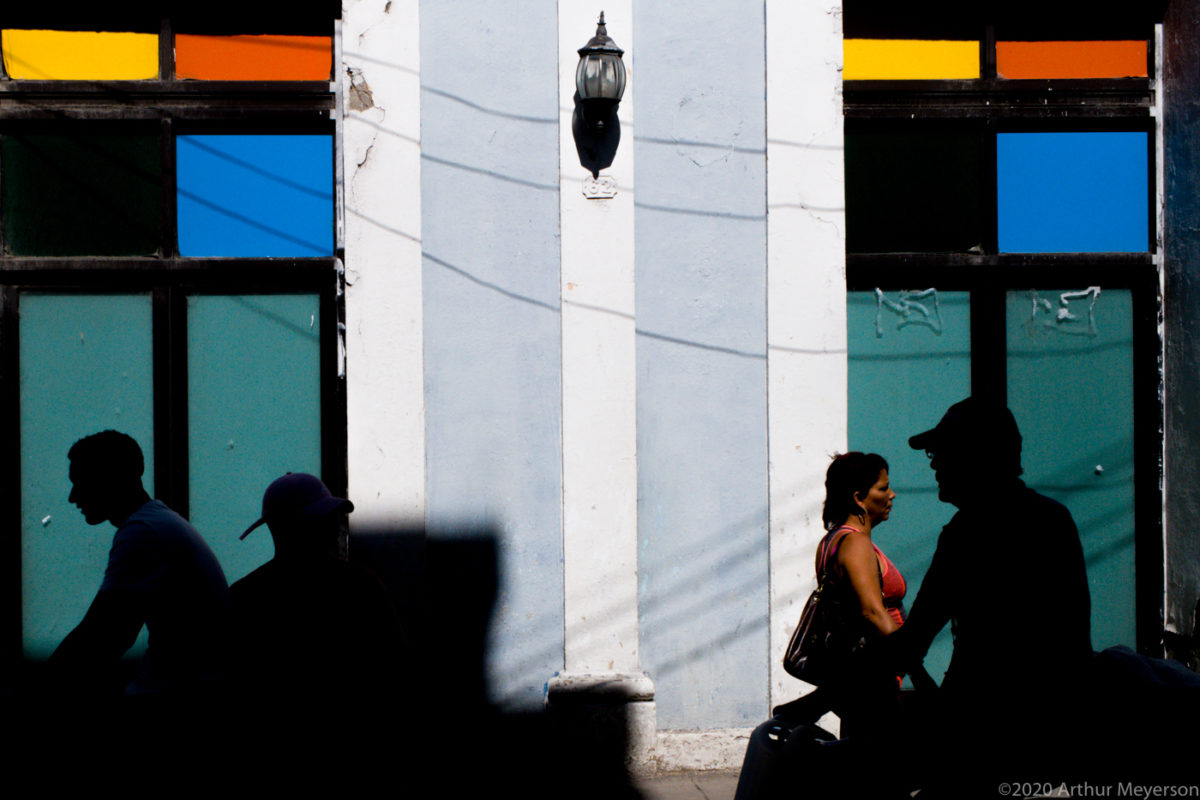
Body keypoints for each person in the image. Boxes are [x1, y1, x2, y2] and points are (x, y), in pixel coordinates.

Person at [892, 397, 1093, 791]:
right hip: (1050, 738)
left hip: (982, 742)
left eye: (942, 451)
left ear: (976, 456)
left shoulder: (967, 534)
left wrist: (822, 698)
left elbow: (914, 639)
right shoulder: (1052, 520)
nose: (933, 463)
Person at [50, 430, 231, 702]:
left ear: (108, 479)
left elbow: (104, 636)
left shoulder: (143, 532)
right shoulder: (157, 523)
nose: (72, 497)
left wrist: (39, 685)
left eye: (80, 482)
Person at [229, 472, 409, 731]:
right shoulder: (359, 587)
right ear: (297, 529)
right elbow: (397, 673)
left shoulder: (244, 596)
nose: (337, 527)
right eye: (325, 520)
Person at [811, 451, 906, 735]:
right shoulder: (855, 543)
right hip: (873, 678)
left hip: (857, 677)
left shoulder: (832, 541)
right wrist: (913, 660)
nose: (892, 495)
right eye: (882, 488)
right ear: (858, 497)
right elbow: (873, 611)